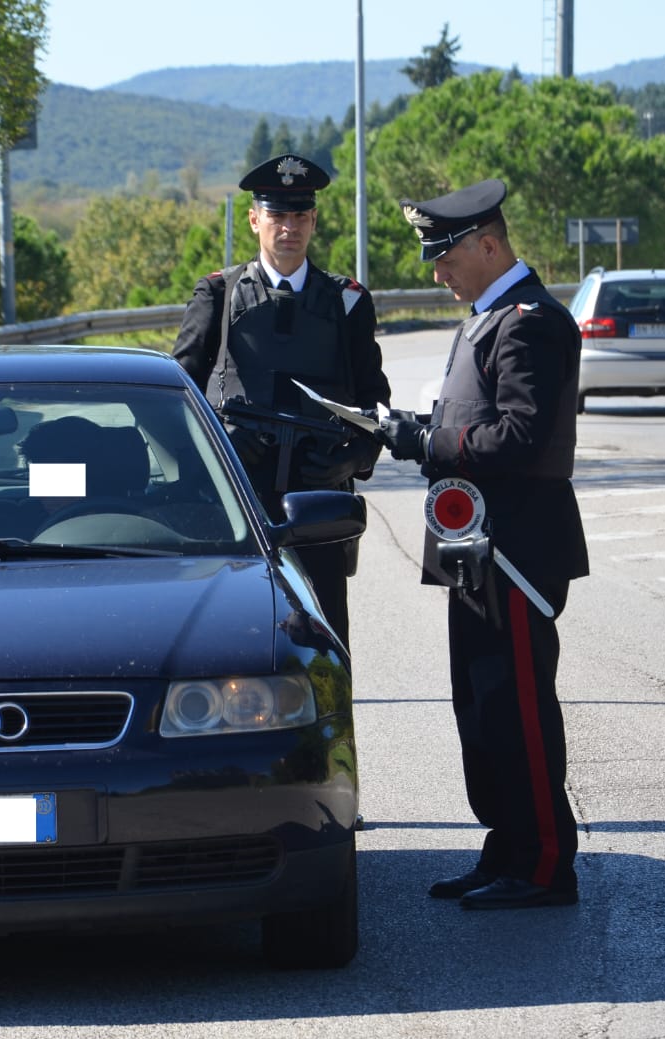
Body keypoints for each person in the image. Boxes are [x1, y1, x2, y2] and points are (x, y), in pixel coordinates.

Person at [377, 178, 589, 910]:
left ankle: (544, 866)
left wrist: (427, 441)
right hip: (477, 551)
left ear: (489, 243)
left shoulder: (529, 320)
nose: (436, 270)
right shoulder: (488, 315)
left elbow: (521, 437)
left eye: (445, 255)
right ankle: (508, 848)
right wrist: (415, 428)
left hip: (516, 554)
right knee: (483, 710)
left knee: (522, 714)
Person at [173, 154, 391, 651]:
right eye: (277, 216)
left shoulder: (347, 301)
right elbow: (179, 396)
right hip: (235, 501)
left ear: (313, 220)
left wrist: (351, 458)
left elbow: (373, 399)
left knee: (322, 641)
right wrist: (219, 448)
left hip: (316, 505)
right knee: (227, 643)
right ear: (255, 220)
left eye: (299, 216)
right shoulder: (218, 293)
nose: (288, 228)